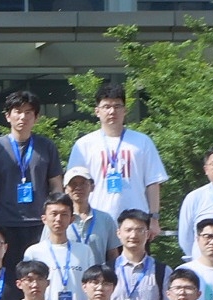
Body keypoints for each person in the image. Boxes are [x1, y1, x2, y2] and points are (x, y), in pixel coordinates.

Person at [67, 85, 168, 229]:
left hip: (136, 221)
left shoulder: (142, 142)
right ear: (97, 111)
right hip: (95, 221)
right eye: (106, 107)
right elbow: (73, 185)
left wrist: (154, 218)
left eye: (117, 106)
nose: (112, 111)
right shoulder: (83, 145)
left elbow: (153, 182)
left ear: (125, 110)